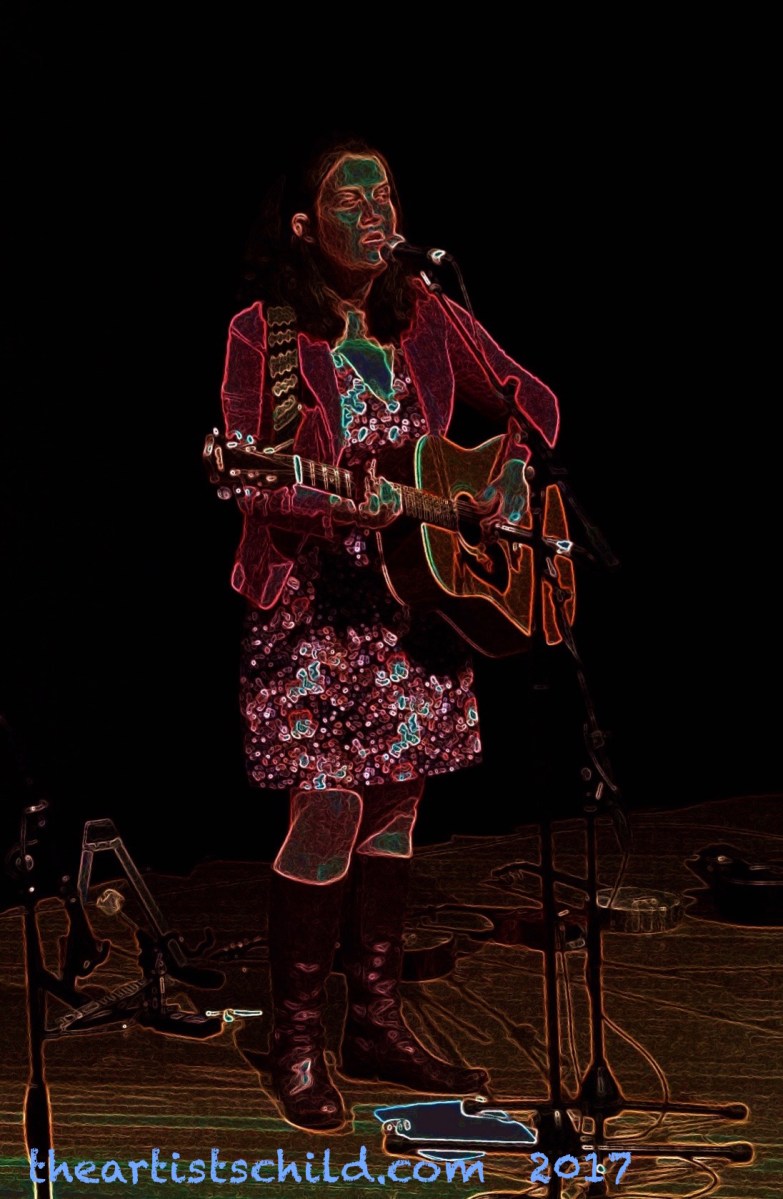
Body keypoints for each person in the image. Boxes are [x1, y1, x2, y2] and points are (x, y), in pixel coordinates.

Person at [219, 138, 560, 1131]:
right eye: (350, 199)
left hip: (418, 603)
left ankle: (373, 1020)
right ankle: (296, 1041)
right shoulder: (267, 333)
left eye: (384, 196)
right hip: (316, 607)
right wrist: (336, 508)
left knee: (396, 815)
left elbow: (534, 401)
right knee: (328, 811)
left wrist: (508, 472)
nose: (375, 213)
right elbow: (259, 479)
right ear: (304, 225)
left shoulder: (427, 310)